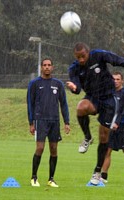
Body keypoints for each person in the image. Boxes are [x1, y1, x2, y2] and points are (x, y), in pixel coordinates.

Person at [66, 42, 124, 185]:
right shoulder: (74, 68)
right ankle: (87, 137)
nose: (81, 60)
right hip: (93, 97)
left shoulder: (98, 55)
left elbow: (114, 59)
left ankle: (97, 172)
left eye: (83, 56)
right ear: (75, 56)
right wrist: (73, 87)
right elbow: (77, 89)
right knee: (81, 108)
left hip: (109, 99)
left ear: (88, 53)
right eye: (78, 57)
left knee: (104, 139)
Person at [27, 58, 71, 188]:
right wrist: (31, 122)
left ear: (52, 67)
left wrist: (66, 121)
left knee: (54, 149)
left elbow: (63, 104)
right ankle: (34, 177)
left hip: (54, 121)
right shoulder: (34, 83)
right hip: (40, 120)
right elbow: (30, 103)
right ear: (41, 67)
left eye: (49, 65)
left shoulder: (58, 84)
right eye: (44, 65)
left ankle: (51, 179)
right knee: (40, 148)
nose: (47, 67)